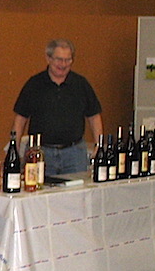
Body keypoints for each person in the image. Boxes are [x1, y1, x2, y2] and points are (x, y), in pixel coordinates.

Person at [11, 38, 103, 175]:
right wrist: (15, 149)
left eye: (68, 60)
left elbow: (94, 116)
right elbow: (20, 119)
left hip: (74, 154)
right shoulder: (34, 84)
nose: (63, 64)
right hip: (40, 153)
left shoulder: (81, 84)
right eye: (59, 59)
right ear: (48, 59)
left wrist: (99, 145)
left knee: (78, 188)